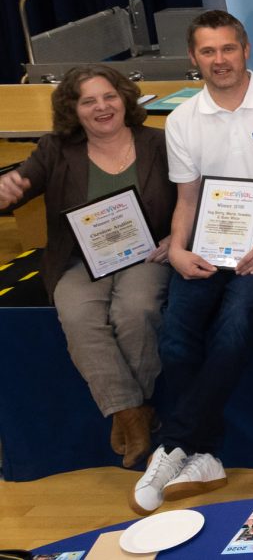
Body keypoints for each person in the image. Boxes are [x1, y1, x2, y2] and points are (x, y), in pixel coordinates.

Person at [133, 11, 253, 512]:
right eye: (207, 52)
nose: (219, 60)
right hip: (210, 236)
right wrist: (180, 248)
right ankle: (203, 451)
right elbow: (186, 197)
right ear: (193, 59)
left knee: (233, 326)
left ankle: (173, 445)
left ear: (246, 49)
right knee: (176, 336)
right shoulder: (183, 119)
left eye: (227, 49)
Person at [0, 64, 172, 468]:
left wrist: (174, 240)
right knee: (78, 315)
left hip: (148, 253)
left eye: (109, 96)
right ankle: (132, 411)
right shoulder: (56, 149)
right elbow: (21, 185)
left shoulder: (159, 143)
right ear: (73, 110)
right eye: (88, 101)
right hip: (79, 259)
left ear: (125, 98)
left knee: (136, 311)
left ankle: (125, 410)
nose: (102, 107)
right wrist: (8, 189)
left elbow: (189, 196)